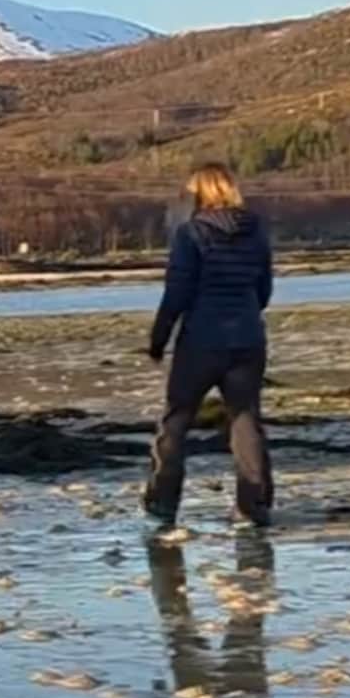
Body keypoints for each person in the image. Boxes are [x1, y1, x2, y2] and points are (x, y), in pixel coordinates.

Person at [144, 163, 276, 527]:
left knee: (176, 420)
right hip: (248, 339)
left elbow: (177, 294)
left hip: (201, 340)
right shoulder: (256, 232)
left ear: (199, 195)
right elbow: (264, 290)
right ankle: (254, 506)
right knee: (245, 419)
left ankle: (163, 502)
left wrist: (158, 339)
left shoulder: (191, 235)